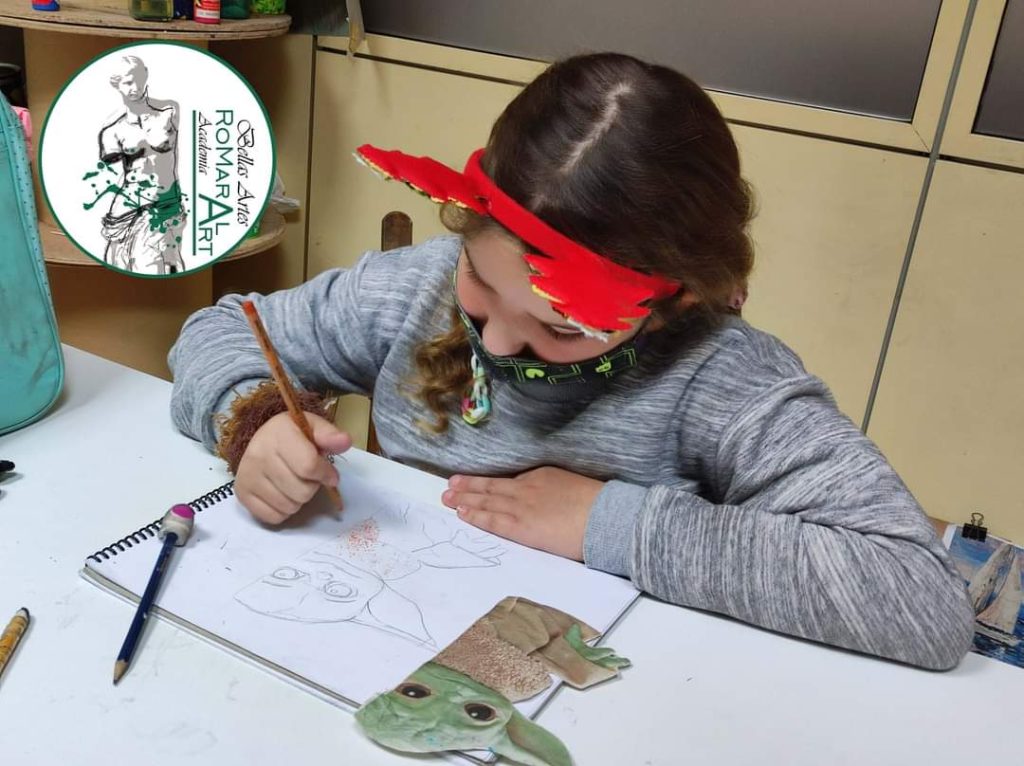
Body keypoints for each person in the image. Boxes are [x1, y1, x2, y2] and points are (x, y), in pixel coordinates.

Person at [169, 53, 975, 671]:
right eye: (481, 283)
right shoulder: (413, 289)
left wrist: (608, 523)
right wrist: (258, 419)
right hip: (370, 639)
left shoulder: (723, 376)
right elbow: (219, 330)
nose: (496, 343)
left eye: (560, 328)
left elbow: (921, 596)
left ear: (670, 304)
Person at [94, 55, 186, 275]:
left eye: (137, 79)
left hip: (168, 202)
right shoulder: (112, 132)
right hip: (130, 206)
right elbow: (111, 168)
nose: (134, 87)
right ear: (117, 85)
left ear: (145, 76)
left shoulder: (169, 112)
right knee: (135, 265)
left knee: (172, 265)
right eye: (127, 82)